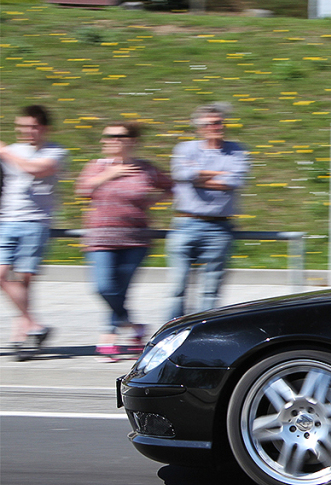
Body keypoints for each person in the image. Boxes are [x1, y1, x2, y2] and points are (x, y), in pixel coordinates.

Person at [75, 122, 174, 360]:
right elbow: (82, 190)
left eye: (118, 136)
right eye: (107, 136)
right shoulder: (96, 166)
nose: (111, 140)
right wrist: (108, 175)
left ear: (132, 140)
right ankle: (132, 327)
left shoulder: (146, 169)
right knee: (103, 287)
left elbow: (171, 186)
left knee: (120, 290)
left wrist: (151, 202)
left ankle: (108, 335)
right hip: (100, 237)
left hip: (135, 239)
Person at [167, 102, 250, 320]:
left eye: (219, 122)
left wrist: (199, 177)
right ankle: (170, 333)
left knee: (211, 291)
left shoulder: (237, 150)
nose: (216, 127)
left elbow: (235, 180)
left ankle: (200, 335)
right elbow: (182, 175)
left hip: (220, 227)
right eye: (210, 124)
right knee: (177, 287)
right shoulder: (185, 148)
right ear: (199, 127)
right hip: (186, 223)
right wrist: (217, 175)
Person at [0, 105, 68, 360]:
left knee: (24, 283)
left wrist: (5, 151)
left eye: (32, 126)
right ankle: (35, 325)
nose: (26, 131)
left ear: (44, 128)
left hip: (34, 222)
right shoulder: (12, 150)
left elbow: (35, 169)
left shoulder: (57, 151)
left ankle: (22, 337)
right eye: (22, 126)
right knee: (2, 275)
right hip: (6, 220)